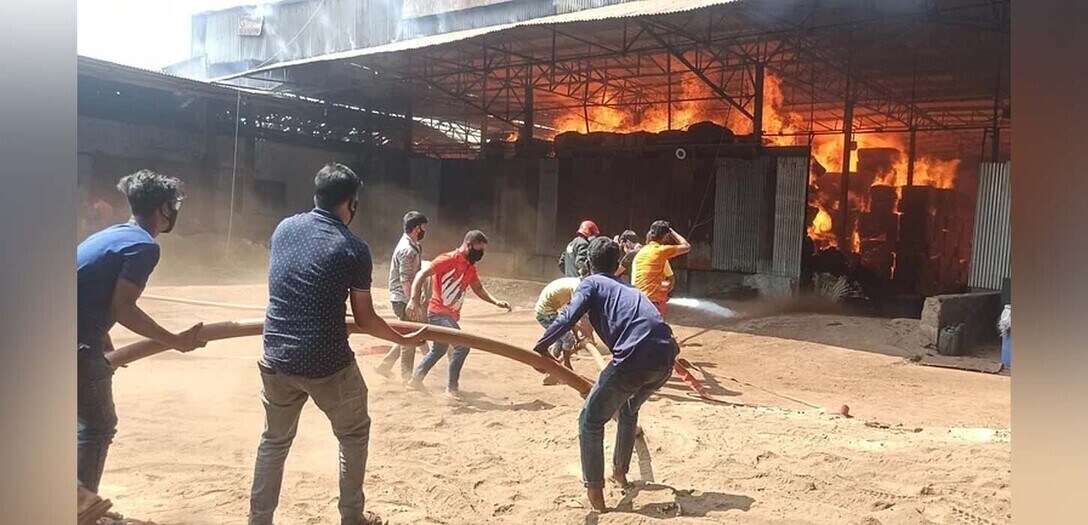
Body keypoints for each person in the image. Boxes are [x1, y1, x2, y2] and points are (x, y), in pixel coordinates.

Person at [250, 163, 426, 525]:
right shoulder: (352, 248)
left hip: (276, 355)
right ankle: (352, 517)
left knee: (274, 441)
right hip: (325, 361)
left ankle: (259, 519)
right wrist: (403, 337)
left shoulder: (284, 229)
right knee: (353, 433)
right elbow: (365, 320)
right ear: (351, 203)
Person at [76, 170, 206, 516]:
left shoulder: (111, 235)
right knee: (98, 425)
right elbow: (123, 307)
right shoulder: (144, 246)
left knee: (84, 421)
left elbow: (90, 291)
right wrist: (175, 340)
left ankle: (81, 503)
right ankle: (78, 504)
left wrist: (103, 341)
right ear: (164, 209)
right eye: (174, 205)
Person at [533, 237, 679, 512]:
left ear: (587, 264)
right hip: (666, 358)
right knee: (627, 409)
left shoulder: (590, 283)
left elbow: (566, 318)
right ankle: (620, 473)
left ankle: (596, 498)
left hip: (634, 358)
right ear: (617, 266)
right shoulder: (628, 289)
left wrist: (540, 348)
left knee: (590, 420)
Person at [406, 230, 511, 398]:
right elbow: (421, 275)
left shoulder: (470, 268)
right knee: (462, 346)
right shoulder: (448, 259)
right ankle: (452, 388)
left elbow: (478, 288)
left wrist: (495, 301)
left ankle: (415, 380)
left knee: (438, 350)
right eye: (479, 249)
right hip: (438, 313)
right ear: (469, 245)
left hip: (450, 315)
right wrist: (413, 300)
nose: (481, 254)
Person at [375, 210, 428, 382]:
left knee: (407, 334)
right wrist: (413, 303)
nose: (424, 230)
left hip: (405, 298)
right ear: (416, 228)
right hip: (404, 299)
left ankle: (385, 366)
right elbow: (406, 280)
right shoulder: (408, 250)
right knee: (410, 341)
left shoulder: (413, 245)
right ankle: (407, 378)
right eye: (422, 227)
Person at [533, 277, 594, 373]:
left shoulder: (574, 282)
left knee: (560, 340)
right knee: (568, 339)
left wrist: (578, 338)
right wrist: (581, 334)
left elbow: (570, 317)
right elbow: (572, 316)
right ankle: (566, 365)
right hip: (545, 313)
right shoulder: (577, 287)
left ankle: (549, 366)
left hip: (545, 311)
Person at [630, 220, 691, 316]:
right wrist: (672, 232)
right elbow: (686, 246)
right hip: (650, 302)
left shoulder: (642, 252)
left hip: (636, 299)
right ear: (666, 236)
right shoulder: (661, 251)